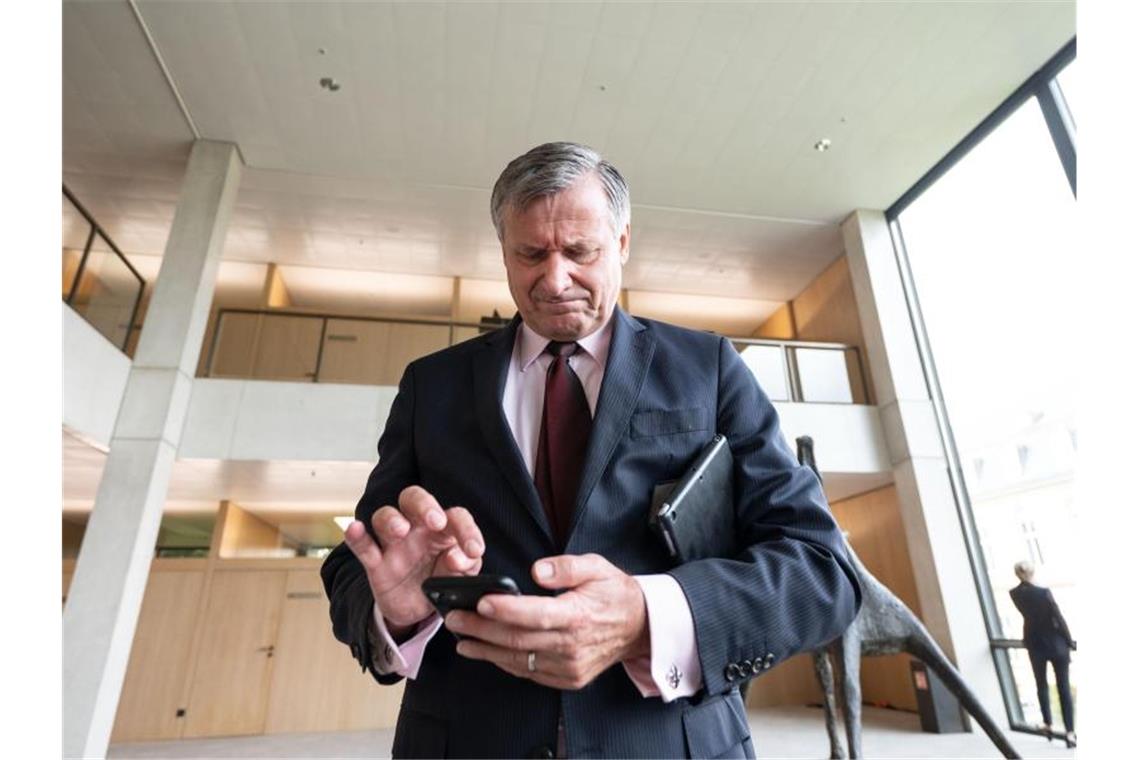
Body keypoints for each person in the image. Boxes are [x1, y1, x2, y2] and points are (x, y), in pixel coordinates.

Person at [321, 141, 861, 758]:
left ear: (623, 243)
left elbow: (821, 572)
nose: (554, 280)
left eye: (580, 251)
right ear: (503, 251)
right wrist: (395, 611)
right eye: (530, 253)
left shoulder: (710, 368)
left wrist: (646, 616)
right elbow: (353, 568)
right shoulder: (431, 386)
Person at [1009, 560, 1076, 748]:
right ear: (1032, 572)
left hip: (1034, 643)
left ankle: (1047, 724)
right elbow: (1058, 617)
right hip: (1056, 644)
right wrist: (1069, 640)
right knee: (1063, 688)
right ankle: (1070, 732)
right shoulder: (1043, 593)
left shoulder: (1014, 594)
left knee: (1041, 685)